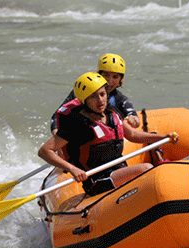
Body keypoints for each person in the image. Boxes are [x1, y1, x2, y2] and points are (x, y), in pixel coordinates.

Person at [39, 72, 178, 196]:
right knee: (146, 168)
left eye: (102, 94)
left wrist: (163, 137)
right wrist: (72, 169)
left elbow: (133, 135)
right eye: (93, 96)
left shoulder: (112, 112)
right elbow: (45, 151)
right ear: (84, 100)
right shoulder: (78, 124)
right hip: (96, 180)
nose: (100, 100)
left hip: (119, 170)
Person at [50, 53, 141, 135]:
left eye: (115, 77)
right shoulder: (81, 92)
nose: (110, 81)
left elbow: (133, 116)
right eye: (106, 75)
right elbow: (55, 118)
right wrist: (58, 139)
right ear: (99, 75)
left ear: (121, 80)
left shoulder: (121, 100)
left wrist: (133, 119)